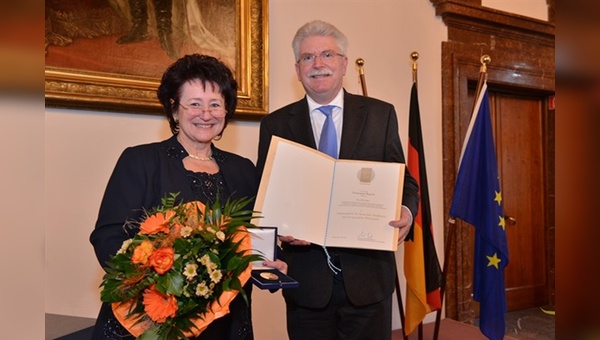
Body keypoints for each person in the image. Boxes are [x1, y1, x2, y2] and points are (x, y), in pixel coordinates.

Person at [90, 54, 286, 340]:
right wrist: (167, 280)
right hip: (153, 322)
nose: (205, 114)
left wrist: (272, 260)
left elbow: (253, 237)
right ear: (174, 109)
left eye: (215, 104)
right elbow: (108, 239)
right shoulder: (140, 161)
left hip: (225, 326)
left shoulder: (243, 169)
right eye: (194, 103)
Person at [255, 20, 420, 340]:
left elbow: (405, 182)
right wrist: (279, 232)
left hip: (369, 280)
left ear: (344, 63)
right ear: (297, 68)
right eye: (307, 57)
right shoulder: (275, 124)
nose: (318, 64)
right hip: (306, 284)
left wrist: (407, 211)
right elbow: (264, 198)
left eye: (327, 54)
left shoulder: (380, 115)